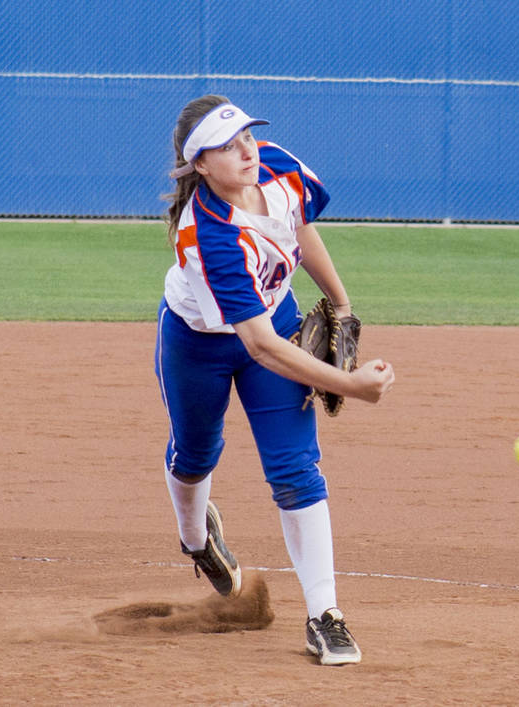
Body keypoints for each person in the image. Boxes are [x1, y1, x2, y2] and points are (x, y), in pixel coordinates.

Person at [155, 94, 395, 666]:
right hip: (199, 345)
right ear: (199, 167)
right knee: (195, 453)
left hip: (276, 316)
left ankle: (324, 615)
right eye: (226, 145)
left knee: (294, 466)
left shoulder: (278, 167)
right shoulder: (209, 236)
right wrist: (353, 386)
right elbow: (259, 346)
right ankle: (197, 539)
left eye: (246, 135)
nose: (246, 150)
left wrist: (342, 303)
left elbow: (299, 228)